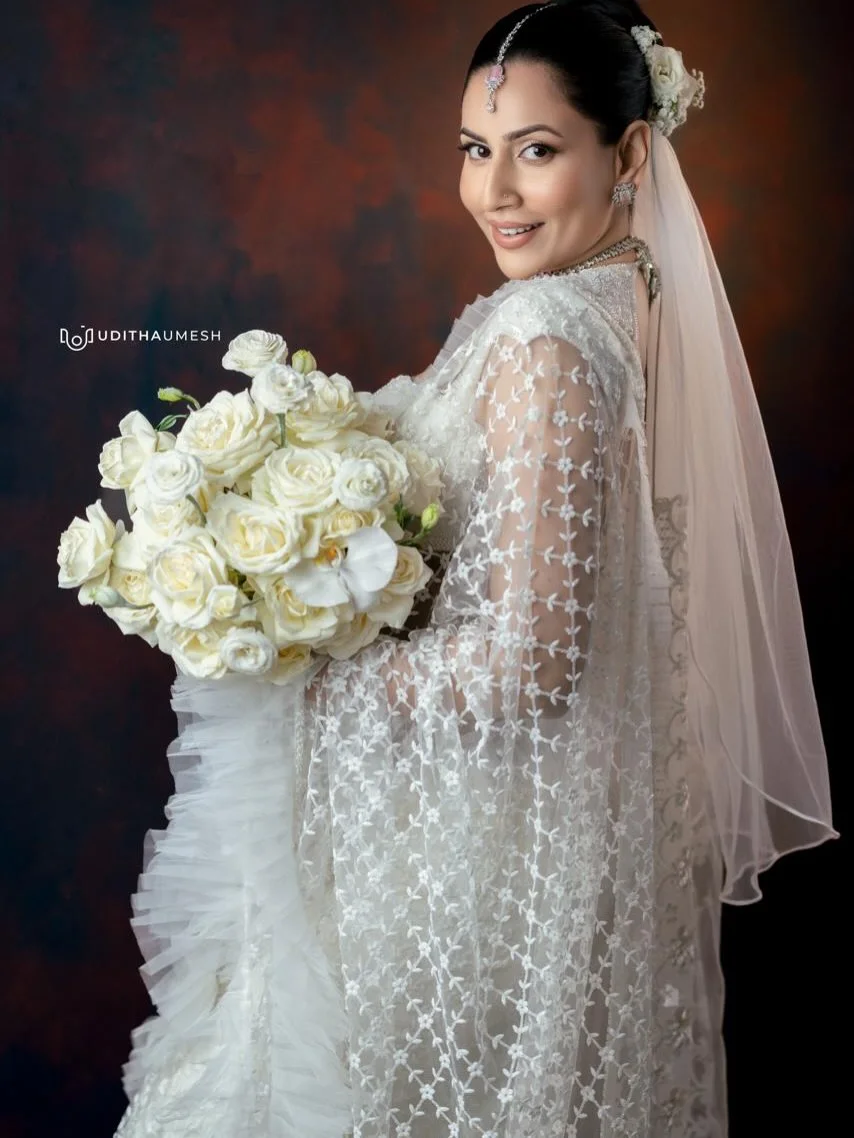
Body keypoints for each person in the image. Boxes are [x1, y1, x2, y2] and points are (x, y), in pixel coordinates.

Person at [114, 3, 838, 1136]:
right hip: (513, 851)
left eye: (536, 151)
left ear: (630, 153)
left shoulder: (547, 336)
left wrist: (303, 665)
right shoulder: (608, 304)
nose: (493, 190)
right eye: (474, 149)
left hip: (472, 879)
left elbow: (529, 666)